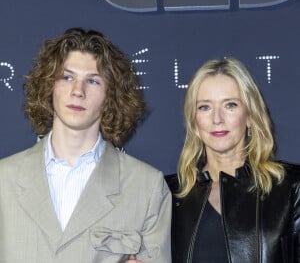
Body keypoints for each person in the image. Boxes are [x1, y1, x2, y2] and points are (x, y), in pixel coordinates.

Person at [0, 28, 171, 263]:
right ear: (50, 85)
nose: (77, 91)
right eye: (67, 77)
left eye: (92, 81)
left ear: (110, 94)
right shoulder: (4, 180)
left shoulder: (146, 187)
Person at [166, 57, 300, 262]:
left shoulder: (291, 186)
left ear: (250, 116)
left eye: (230, 105)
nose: (217, 119)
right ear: (194, 120)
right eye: (204, 107)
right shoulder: (166, 194)